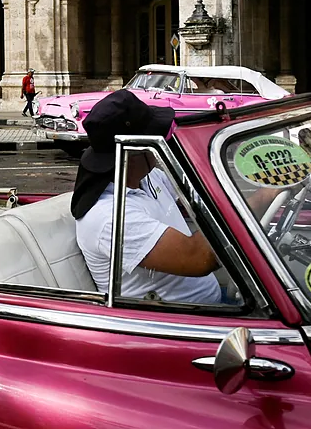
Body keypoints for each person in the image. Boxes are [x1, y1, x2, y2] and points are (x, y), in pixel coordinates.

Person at [72, 90, 224, 304]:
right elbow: (199, 258)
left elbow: (201, 193)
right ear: (134, 151)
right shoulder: (109, 216)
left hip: (209, 307)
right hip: (174, 326)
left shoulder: (148, 177)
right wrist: (258, 202)